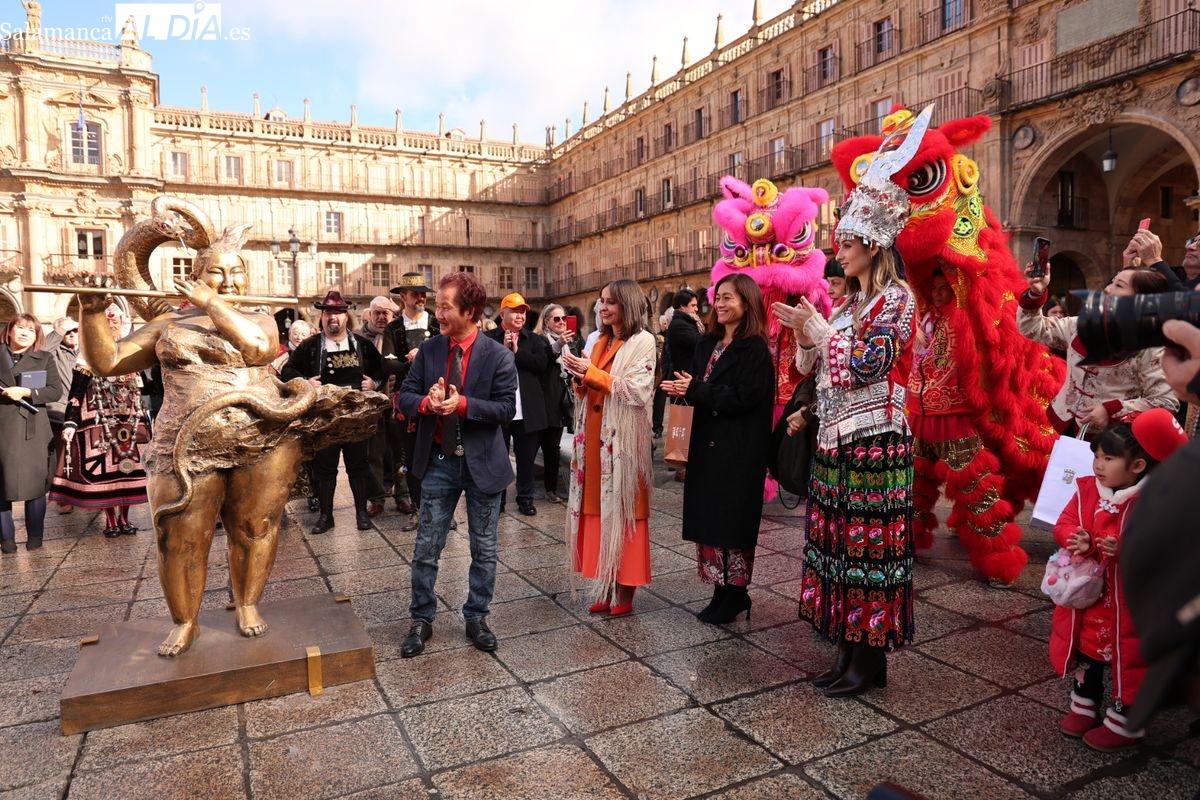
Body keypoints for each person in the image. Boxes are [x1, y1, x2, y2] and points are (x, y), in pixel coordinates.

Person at [80, 200, 385, 656]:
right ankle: (185, 621)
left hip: (261, 436)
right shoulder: (168, 323)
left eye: (235, 272)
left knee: (256, 526)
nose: (228, 281)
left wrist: (213, 304)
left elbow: (259, 348)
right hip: (185, 442)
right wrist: (91, 314)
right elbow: (107, 362)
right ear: (197, 273)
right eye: (216, 273)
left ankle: (247, 603)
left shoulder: (258, 317)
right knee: (180, 535)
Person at [773, 114, 926, 698]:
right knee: (837, 546)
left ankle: (871, 661)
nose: (839, 251)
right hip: (837, 441)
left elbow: (869, 364)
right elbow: (818, 368)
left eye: (848, 242)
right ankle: (846, 650)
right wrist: (805, 333)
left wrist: (821, 331)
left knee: (869, 550)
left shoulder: (897, 301)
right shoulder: (848, 305)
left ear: (874, 244)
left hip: (875, 443)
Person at [396, 271, 518, 657]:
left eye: (446, 306)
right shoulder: (431, 350)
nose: (438, 313)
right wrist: (426, 404)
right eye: (438, 306)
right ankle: (421, 617)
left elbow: (505, 409)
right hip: (439, 462)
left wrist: (463, 404)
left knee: (484, 547)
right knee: (427, 545)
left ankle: (477, 616)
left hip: (483, 465)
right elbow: (404, 396)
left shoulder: (498, 355)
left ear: (471, 311)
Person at [1050, 410, 1187, 752]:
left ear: (1137, 466)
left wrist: (1125, 548)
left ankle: (1126, 720)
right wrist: (1075, 537)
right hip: (1092, 598)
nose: (1098, 464)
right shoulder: (1086, 490)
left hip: (1131, 602)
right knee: (1089, 649)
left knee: (1131, 657)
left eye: (1109, 458)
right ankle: (1084, 701)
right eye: (1096, 456)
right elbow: (1063, 522)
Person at [906, 268, 1029, 585]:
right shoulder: (926, 319)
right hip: (920, 413)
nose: (937, 293)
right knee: (915, 486)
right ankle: (905, 542)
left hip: (953, 416)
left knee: (976, 488)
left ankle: (999, 560)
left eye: (944, 287)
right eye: (933, 287)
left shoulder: (964, 320)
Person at [662, 273, 773, 624]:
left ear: (747, 302)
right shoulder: (706, 342)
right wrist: (682, 388)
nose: (721, 304)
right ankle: (717, 588)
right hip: (705, 444)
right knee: (710, 521)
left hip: (737, 449)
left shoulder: (754, 348)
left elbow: (745, 398)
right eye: (718, 297)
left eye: (730, 298)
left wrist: (696, 390)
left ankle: (736, 592)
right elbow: (695, 383)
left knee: (732, 522)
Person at [561, 278, 656, 616]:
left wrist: (592, 374)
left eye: (610, 302)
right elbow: (589, 388)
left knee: (626, 511)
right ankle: (605, 582)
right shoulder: (599, 340)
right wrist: (578, 376)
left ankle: (625, 588)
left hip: (623, 443)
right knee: (598, 511)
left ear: (627, 305)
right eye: (601, 301)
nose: (602, 308)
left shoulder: (644, 341)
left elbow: (637, 390)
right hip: (595, 438)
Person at [1018, 263, 1178, 436]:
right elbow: (1034, 329)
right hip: (1065, 424)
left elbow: (1165, 402)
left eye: (1119, 285)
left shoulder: (1152, 347)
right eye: (1112, 282)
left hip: (1112, 439)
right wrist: (1036, 292)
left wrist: (1111, 410)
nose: (1108, 289)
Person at [282, 291, 383, 534]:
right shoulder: (310, 346)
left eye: (337, 313)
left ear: (346, 316)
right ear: (322, 317)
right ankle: (326, 517)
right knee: (324, 468)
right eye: (328, 313)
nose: (332, 318)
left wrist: (375, 384)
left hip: (355, 417)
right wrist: (306, 382)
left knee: (358, 466)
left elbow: (381, 369)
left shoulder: (362, 345)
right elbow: (287, 371)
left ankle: (361, 513)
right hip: (324, 418)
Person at [49, 305, 150, 538]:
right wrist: (71, 422)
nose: (112, 327)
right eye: (107, 324)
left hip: (131, 421)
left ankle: (125, 518)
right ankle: (110, 519)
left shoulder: (130, 352)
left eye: (115, 323)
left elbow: (146, 386)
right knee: (105, 472)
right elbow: (76, 392)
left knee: (128, 471)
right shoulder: (87, 354)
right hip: (99, 419)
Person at [382, 272, 441, 529]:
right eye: (415, 293)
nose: (421, 297)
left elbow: (450, 354)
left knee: (441, 455)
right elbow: (387, 364)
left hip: (438, 398)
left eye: (423, 293)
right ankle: (418, 509)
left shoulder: (437, 323)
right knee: (413, 457)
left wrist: (424, 353)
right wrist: (409, 359)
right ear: (403, 296)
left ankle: (442, 512)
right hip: (409, 401)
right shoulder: (394, 328)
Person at [0, 314, 63, 553]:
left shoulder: (44, 358)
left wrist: (25, 392)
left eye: (31, 330)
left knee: (35, 483)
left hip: (32, 429)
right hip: (2, 427)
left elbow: (54, 391)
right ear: (10, 329)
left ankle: (35, 536)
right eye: (20, 327)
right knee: (1, 484)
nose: (25, 333)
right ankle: (6, 540)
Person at [485, 292, 550, 516]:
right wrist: (503, 350)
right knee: (498, 459)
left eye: (523, 311)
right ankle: (499, 501)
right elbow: (483, 367)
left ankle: (525, 499)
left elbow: (541, 364)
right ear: (502, 313)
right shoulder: (489, 338)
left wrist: (517, 352)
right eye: (515, 311)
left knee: (526, 460)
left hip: (527, 410)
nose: (520, 315)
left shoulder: (533, 340)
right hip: (500, 411)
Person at [357, 295, 405, 518]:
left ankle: (402, 495)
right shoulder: (357, 338)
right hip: (371, 406)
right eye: (377, 312)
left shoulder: (397, 335)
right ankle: (376, 498)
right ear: (370, 313)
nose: (381, 317)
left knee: (399, 452)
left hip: (395, 402)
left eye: (386, 313)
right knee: (372, 454)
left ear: (392, 315)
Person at [534, 303, 581, 503]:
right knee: (537, 445)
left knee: (553, 447)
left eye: (564, 318)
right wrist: (559, 344)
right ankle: (527, 489)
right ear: (546, 322)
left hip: (562, 400)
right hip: (543, 399)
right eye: (556, 319)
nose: (561, 322)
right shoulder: (539, 340)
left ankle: (551, 489)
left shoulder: (572, 342)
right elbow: (541, 363)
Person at [665, 289, 703, 481]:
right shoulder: (680, 325)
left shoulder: (687, 322)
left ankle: (686, 464)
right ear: (682, 306)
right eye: (693, 305)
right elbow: (700, 343)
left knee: (689, 422)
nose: (697, 309)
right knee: (684, 423)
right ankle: (682, 467)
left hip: (688, 379)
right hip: (682, 380)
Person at [1126, 228, 1200, 291]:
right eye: (1192, 241)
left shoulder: (1164, 273)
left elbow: (1183, 302)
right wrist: (1130, 271)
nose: (1190, 247)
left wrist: (1154, 260)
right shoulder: (1174, 273)